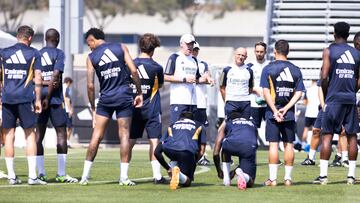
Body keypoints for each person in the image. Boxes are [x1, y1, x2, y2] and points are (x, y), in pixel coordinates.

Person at [79, 28, 143, 185]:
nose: (89, 47)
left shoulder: (91, 57)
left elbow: (90, 85)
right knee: (124, 135)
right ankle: (124, 177)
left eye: (89, 43)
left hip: (105, 99)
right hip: (124, 96)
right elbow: (134, 70)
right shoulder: (121, 47)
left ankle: (84, 177)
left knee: (96, 136)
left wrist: (93, 108)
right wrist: (139, 92)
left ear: (93, 40)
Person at [314, 22, 360, 185]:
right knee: (352, 136)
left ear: (334, 33)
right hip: (350, 99)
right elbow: (359, 79)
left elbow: (324, 77)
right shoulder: (356, 53)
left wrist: (327, 94)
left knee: (327, 135)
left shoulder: (329, 50)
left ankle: (324, 176)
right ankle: (351, 176)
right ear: (348, 34)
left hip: (333, 99)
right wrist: (351, 91)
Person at [0, 25, 45, 185]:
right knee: (30, 135)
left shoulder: (3, 53)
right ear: (30, 38)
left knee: (9, 136)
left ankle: (12, 176)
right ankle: (32, 177)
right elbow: (38, 77)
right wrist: (38, 99)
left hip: (7, 99)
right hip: (25, 99)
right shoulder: (34, 53)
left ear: (18, 35)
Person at [260, 39, 305, 186]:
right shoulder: (296, 69)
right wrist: (286, 108)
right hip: (289, 113)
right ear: (288, 52)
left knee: (273, 145)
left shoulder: (267, 68)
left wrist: (274, 110)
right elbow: (299, 93)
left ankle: (272, 179)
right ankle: (288, 178)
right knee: (289, 145)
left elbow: (265, 92)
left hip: (272, 113)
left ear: (274, 52)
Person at [35, 28, 78, 183]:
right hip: (53, 100)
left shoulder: (37, 53)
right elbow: (55, 77)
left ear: (46, 39)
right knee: (61, 134)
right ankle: (61, 174)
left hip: (39, 99)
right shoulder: (59, 54)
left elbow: (34, 79)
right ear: (57, 39)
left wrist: (42, 90)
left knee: (38, 136)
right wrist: (48, 96)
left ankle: (41, 173)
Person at [128, 33, 166, 184]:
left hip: (133, 109)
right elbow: (160, 85)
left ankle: (124, 174)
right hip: (152, 110)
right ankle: (157, 176)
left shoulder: (130, 64)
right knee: (154, 141)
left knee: (129, 141)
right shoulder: (157, 67)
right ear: (154, 49)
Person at [154, 111, 206, 190]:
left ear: (180, 119)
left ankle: (174, 169)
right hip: (186, 151)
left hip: (169, 150)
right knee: (187, 182)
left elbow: (156, 152)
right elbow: (202, 151)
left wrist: (168, 168)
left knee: (174, 154)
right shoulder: (199, 125)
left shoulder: (172, 125)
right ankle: (178, 174)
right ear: (193, 119)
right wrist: (193, 162)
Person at [213, 112, 257, 190]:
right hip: (248, 147)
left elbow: (216, 149)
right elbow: (253, 142)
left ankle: (226, 179)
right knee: (250, 181)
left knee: (225, 147)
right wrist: (236, 169)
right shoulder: (252, 124)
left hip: (231, 145)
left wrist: (219, 170)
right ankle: (243, 175)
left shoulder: (229, 123)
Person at [164, 34, 202, 124]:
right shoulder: (174, 57)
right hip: (179, 101)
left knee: (191, 130)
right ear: (181, 44)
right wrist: (184, 79)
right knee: (176, 128)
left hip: (193, 102)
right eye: (188, 44)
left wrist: (207, 79)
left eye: (192, 44)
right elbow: (165, 77)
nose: (190, 47)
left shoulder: (194, 60)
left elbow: (197, 79)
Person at [192, 41, 215, 166]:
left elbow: (207, 75)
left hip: (200, 102)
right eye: (192, 49)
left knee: (203, 130)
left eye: (196, 49)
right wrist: (201, 80)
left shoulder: (202, 64)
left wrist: (208, 79)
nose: (194, 51)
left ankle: (201, 156)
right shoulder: (185, 62)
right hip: (188, 102)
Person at [220, 47, 254, 119]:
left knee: (245, 126)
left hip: (245, 103)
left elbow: (251, 88)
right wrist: (227, 100)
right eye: (238, 54)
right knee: (230, 126)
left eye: (243, 55)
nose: (240, 57)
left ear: (246, 57)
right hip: (231, 102)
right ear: (234, 55)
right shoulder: (227, 69)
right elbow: (222, 87)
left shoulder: (249, 70)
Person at [249, 42, 269, 130]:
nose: (259, 54)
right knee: (253, 129)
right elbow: (245, 85)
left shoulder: (270, 65)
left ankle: (271, 144)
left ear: (265, 52)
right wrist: (254, 90)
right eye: (257, 51)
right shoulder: (249, 66)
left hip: (268, 104)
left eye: (261, 52)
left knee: (271, 128)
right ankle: (253, 144)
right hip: (254, 103)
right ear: (254, 51)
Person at [301, 80, 320, 149]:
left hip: (309, 112)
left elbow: (304, 102)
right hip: (317, 112)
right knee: (316, 130)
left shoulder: (308, 90)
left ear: (312, 81)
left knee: (306, 129)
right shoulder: (320, 89)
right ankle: (314, 146)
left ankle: (303, 145)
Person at [63, 77, 74, 147]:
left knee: (63, 127)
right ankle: (66, 142)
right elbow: (66, 99)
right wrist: (70, 110)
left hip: (61, 109)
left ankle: (64, 142)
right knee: (69, 127)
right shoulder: (66, 88)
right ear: (68, 82)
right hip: (66, 110)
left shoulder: (61, 87)